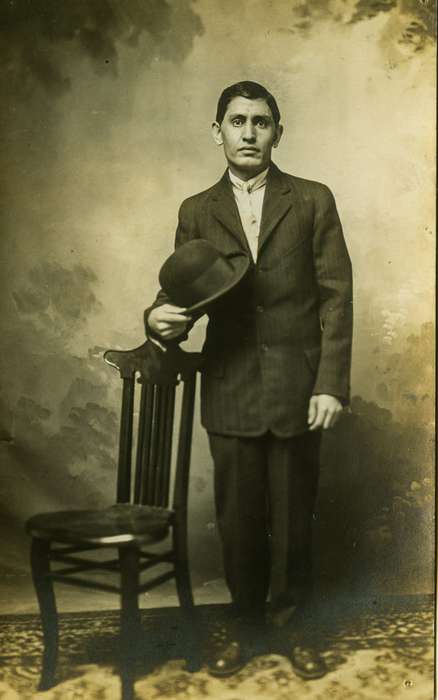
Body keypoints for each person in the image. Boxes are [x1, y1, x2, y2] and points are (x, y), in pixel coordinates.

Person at [144, 81, 353, 679]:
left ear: (277, 133)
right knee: (237, 520)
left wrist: (330, 383)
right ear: (218, 132)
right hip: (230, 386)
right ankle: (246, 628)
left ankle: (295, 630)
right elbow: (179, 293)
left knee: (293, 519)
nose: (248, 133)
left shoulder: (312, 200)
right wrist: (158, 321)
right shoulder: (196, 210)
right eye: (237, 122)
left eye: (261, 122)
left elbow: (337, 297)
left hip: (298, 387)